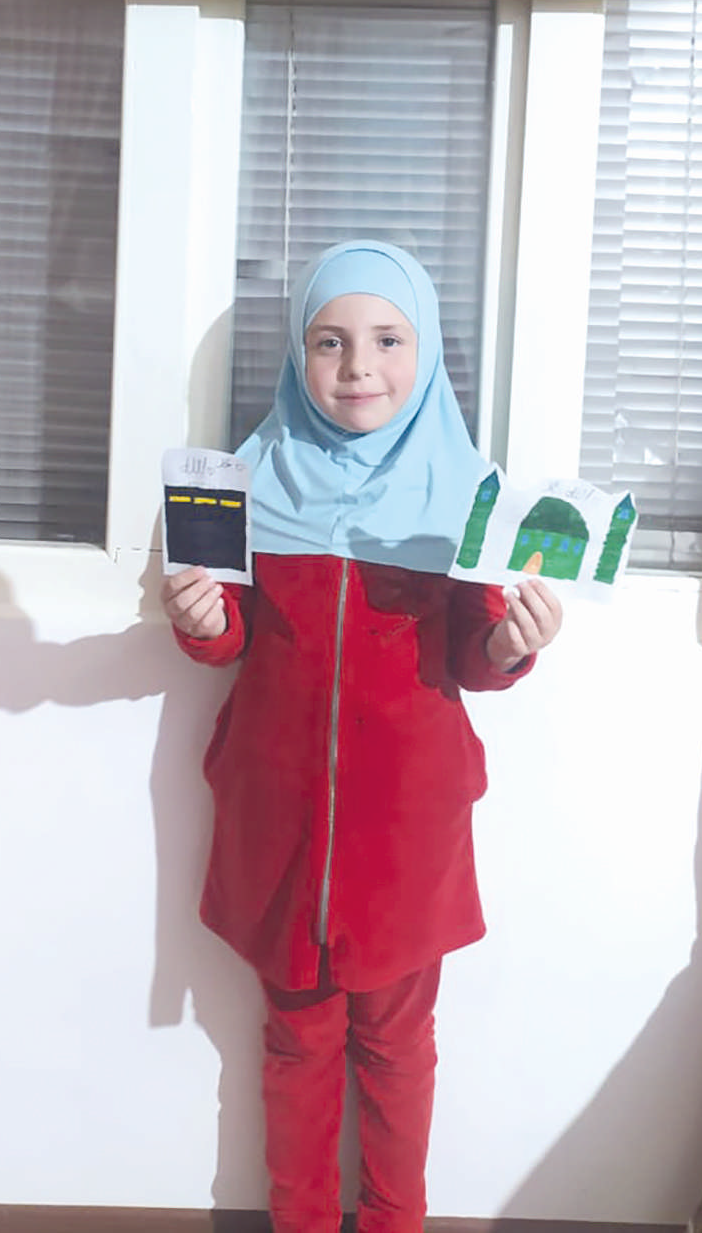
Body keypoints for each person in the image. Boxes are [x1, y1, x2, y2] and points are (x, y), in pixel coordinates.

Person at [162, 239, 562, 1233]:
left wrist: (511, 643)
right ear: (297, 355)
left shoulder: (467, 496)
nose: (357, 366)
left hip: (405, 832)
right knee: (295, 1042)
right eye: (329, 341)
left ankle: (393, 1220)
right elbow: (230, 640)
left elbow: (474, 656)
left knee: (396, 1044)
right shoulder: (246, 482)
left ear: (423, 354)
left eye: (387, 339)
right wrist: (202, 622)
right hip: (279, 824)